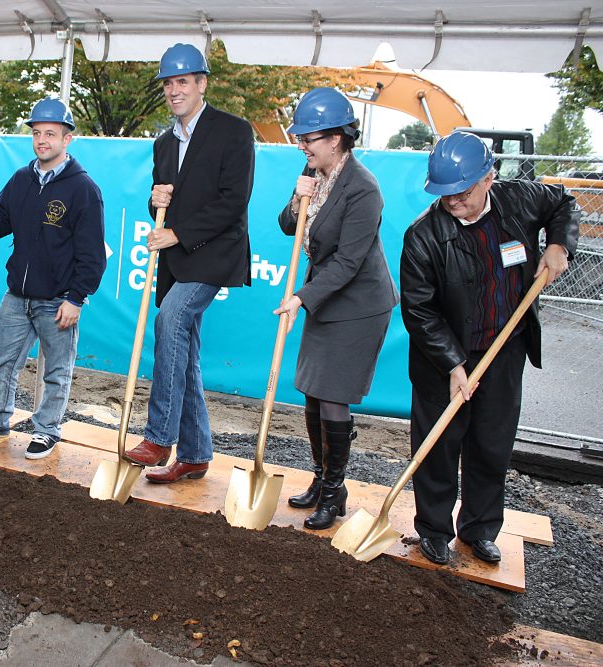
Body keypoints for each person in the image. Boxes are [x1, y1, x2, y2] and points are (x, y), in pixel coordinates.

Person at [401, 131, 579, 565]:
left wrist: (559, 244)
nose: (453, 202)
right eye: (444, 195)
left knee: (491, 443)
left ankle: (479, 529)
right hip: (444, 358)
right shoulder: (423, 236)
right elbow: (420, 312)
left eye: (461, 193)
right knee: (439, 444)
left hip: (504, 349)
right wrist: (453, 364)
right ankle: (434, 530)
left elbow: (563, 202)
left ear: (488, 179)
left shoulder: (519, 201)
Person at [121, 43, 255, 483]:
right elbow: (166, 203)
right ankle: (196, 453)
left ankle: (160, 436)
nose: (174, 90)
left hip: (215, 254)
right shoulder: (164, 143)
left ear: (201, 84)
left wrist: (177, 233)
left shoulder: (234, 131)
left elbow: (233, 201)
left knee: (171, 318)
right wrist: (153, 201)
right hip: (178, 260)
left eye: (183, 81)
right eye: (168, 83)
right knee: (188, 352)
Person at [274, 88, 399, 530]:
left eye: (310, 137)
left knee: (332, 396)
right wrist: (296, 196)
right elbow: (289, 224)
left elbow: (349, 261)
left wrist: (301, 298)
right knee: (312, 390)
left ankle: (333, 493)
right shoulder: (312, 172)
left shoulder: (363, 188)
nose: (303, 144)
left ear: (338, 138)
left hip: (360, 303)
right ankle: (324, 480)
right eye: (300, 137)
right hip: (327, 296)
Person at [0, 97, 105, 459]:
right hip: (17, 296)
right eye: (37, 133)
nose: (42, 140)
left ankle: (46, 430)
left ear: (67, 138)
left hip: (58, 299)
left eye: (50, 133)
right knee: (0, 362)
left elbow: (92, 255)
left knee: (56, 371)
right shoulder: (22, 179)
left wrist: (76, 298)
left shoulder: (83, 189)